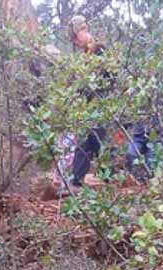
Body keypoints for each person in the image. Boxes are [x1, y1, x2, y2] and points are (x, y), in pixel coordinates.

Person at [68, 15, 108, 188]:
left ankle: (108, 175)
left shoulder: (100, 49)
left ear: (82, 31)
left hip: (102, 102)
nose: (76, 43)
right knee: (88, 139)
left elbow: (109, 76)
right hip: (89, 105)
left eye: (75, 38)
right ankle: (77, 178)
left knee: (95, 138)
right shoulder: (85, 54)